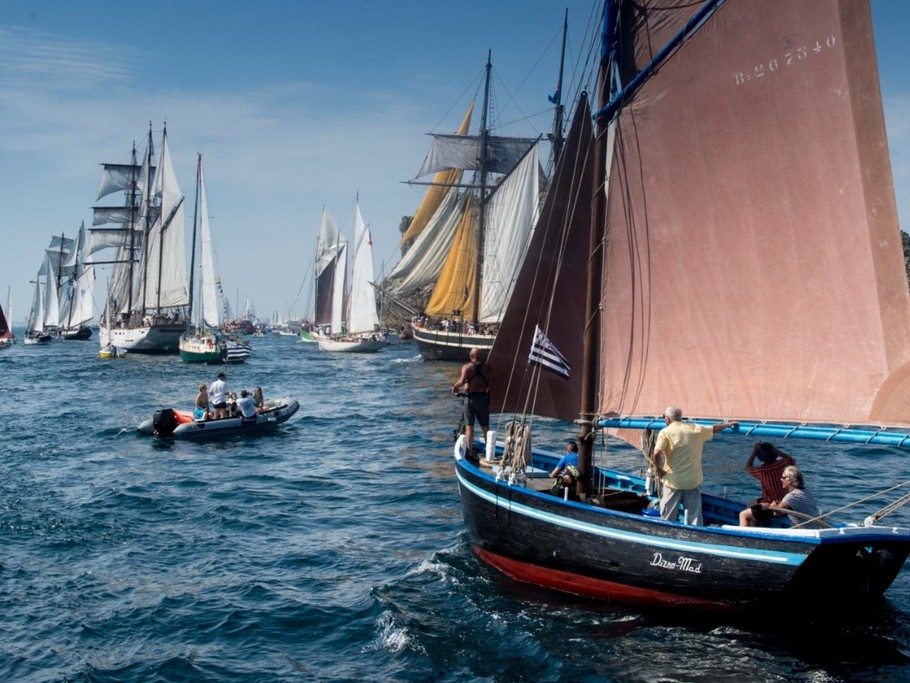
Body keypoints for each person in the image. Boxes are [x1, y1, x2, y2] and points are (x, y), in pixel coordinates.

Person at [653, 406, 739, 526]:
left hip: (673, 481)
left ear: (667, 419)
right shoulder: (695, 429)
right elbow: (714, 428)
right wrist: (727, 424)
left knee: (668, 516)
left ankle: (666, 533)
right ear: (680, 418)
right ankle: (696, 533)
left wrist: (658, 470)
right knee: (694, 516)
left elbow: (656, 453)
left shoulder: (665, 432)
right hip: (692, 481)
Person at [738, 441, 796, 526]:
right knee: (751, 504)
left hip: (773, 505)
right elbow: (791, 460)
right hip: (788, 502)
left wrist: (754, 452)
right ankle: (754, 524)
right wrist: (775, 449)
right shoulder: (783, 464)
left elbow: (747, 468)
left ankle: (747, 532)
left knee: (743, 515)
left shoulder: (762, 471)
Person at [452, 346, 493, 461]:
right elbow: (491, 382)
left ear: (471, 356)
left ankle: (469, 452)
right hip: (483, 399)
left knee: (469, 427)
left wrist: (454, 386)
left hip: (470, 399)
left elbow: (461, 381)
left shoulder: (467, 367)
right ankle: (490, 453)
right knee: (485, 427)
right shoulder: (488, 368)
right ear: (482, 357)